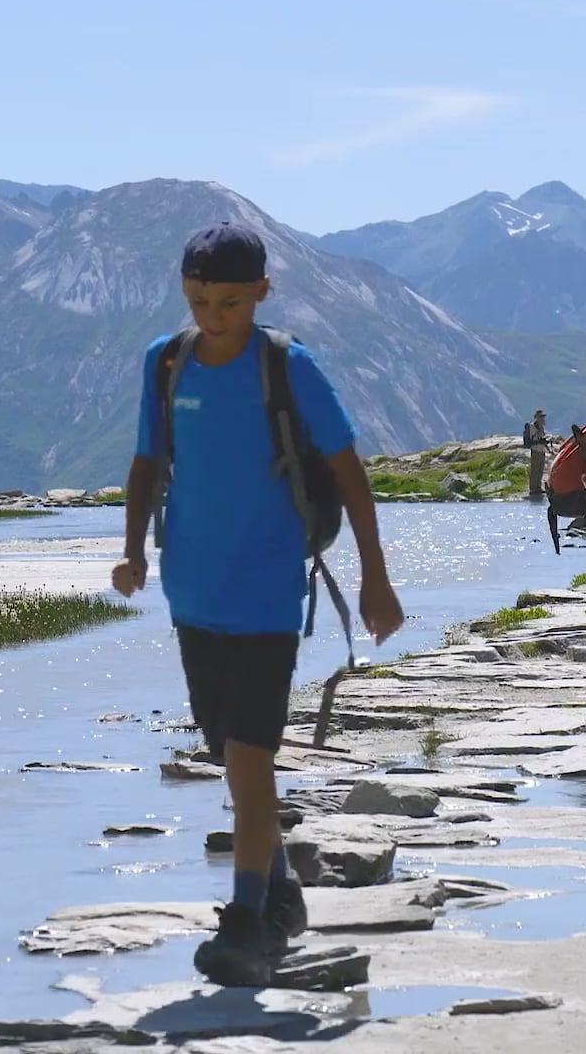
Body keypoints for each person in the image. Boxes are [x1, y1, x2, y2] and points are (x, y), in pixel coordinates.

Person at [112, 222, 405, 988]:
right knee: (227, 755)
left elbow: (348, 471)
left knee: (249, 755)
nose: (214, 315)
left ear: (262, 294)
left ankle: (246, 925)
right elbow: (147, 460)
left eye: (231, 302)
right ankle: (283, 897)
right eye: (200, 300)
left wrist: (375, 576)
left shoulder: (286, 367)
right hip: (192, 590)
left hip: (270, 592)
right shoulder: (167, 362)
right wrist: (134, 548)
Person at [522, 409, 550, 496]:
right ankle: (533, 488)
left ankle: (538, 487)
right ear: (537, 417)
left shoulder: (541, 427)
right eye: (541, 417)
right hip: (535, 450)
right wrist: (540, 442)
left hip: (541, 450)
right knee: (535, 470)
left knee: (540, 469)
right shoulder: (532, 427)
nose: (542, 418)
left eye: (543, 417)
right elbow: (532, 440)